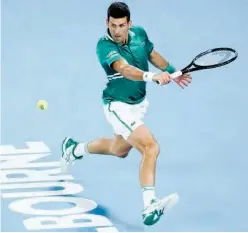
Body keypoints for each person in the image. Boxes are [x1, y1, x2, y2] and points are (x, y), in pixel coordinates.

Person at [60, 1, 192, 226]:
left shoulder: (139, 34)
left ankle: (74, 149)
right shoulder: (104, 46)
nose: (117, 31)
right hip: (117, 105)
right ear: (107, 23)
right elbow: (124, 69)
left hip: (137, 104)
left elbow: (152, 54)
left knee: (119, 149)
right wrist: (152, 77)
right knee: (151, 147)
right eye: (113, 25)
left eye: (122, 25)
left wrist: (172, 72)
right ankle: (149, 205)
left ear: (129, 24)